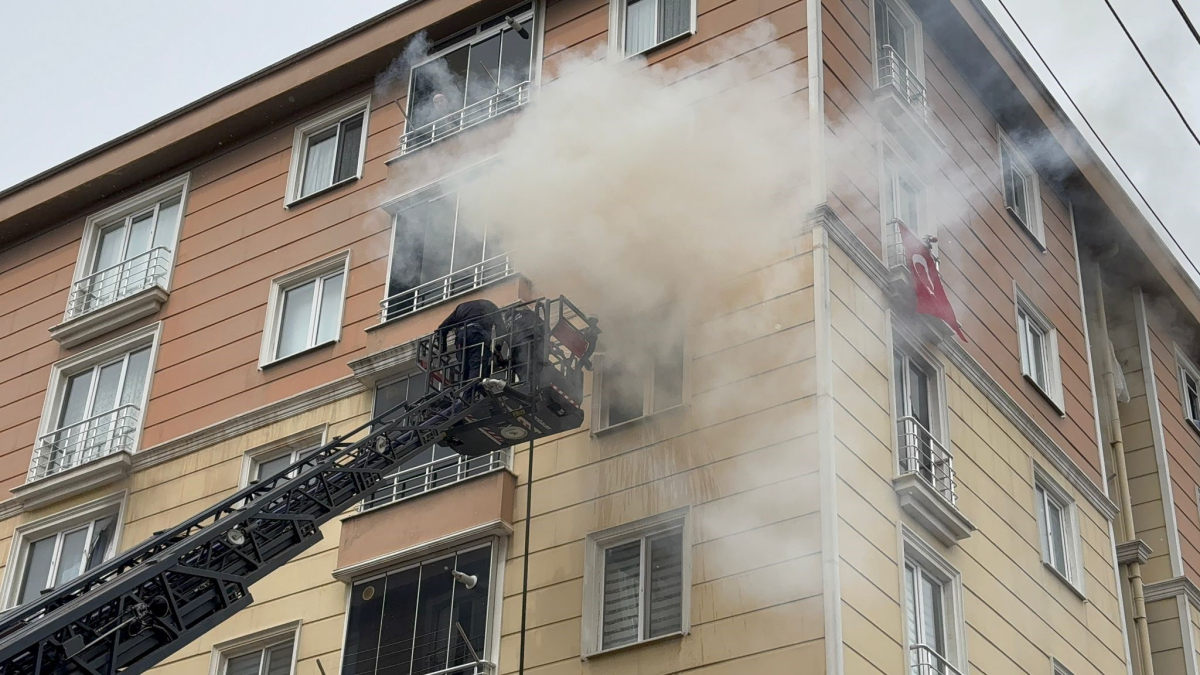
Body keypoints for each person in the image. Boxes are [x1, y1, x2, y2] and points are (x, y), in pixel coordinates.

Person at [437, 299, 502, 389]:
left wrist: (443, 350)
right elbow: (501, 329)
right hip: (478, 335)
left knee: (464, 371)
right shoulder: (490, 305)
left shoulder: (460, 308)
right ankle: (469, 394)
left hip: (461, 338)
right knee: (477, 369)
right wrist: (498, 348)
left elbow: (441, 329)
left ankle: (464, 393)